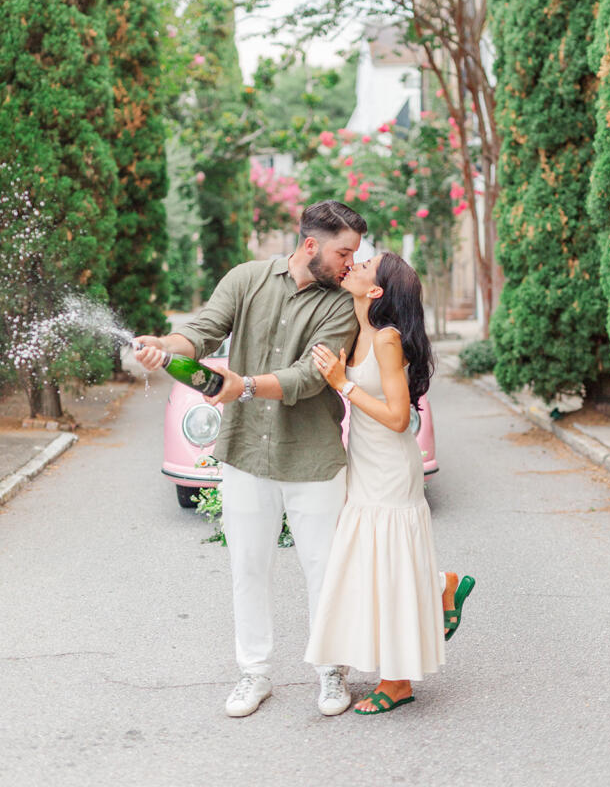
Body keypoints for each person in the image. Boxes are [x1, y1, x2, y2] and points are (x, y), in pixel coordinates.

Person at [134, 200, 367, 718]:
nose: (350, 262)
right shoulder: (246, 279)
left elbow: (311, 375)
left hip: (313, 457)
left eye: (354, 252)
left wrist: (242, 386)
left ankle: (332, 670)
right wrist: (162, 345)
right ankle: (253, 674)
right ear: (311, 246)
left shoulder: (340, 304)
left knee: (324, 570)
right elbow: (202, 331)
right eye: (343, 251)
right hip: (244, 453)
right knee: (248, 567)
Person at [306, 252, 475, 714]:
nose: (353, 265)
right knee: (377, 562)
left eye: (363, 266)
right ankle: (440, 584)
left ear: (375, 290)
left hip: (390, 468)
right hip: (365, 462)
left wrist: (344, 384)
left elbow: (401, 419)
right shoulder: (360, 333)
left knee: (385, 563)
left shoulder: (385, 340)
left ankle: (397, 683)